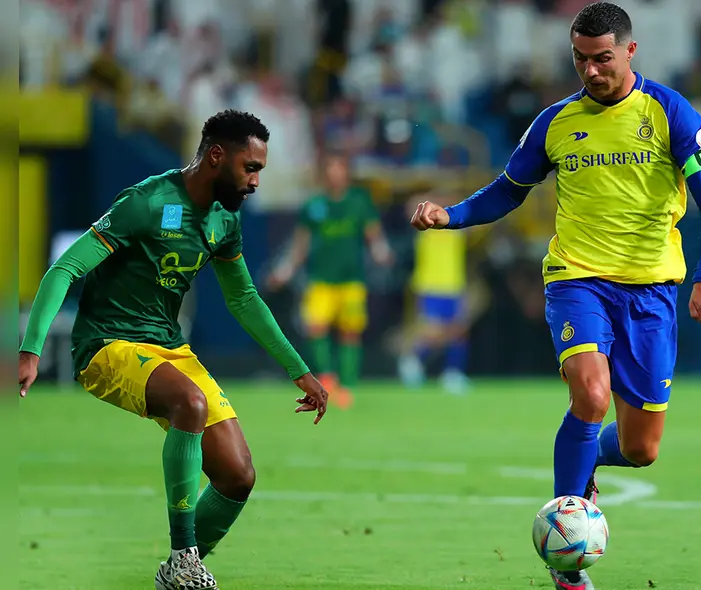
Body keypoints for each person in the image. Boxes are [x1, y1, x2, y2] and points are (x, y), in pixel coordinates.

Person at [410, 3, 701, 589]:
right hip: (576, 280)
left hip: (652, 291)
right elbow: (508, 190)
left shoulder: (669, 112)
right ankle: (567, 543)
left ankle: (591, 459)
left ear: (630, 52)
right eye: (580, 59)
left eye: (602, 58)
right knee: (590, 391)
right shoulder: (556, 122)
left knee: (641, 448)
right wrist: (449, 215)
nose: (590, 70)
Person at [17, 110, 329, 590]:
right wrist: (31, 349)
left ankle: (175, 571)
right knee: (190, 403)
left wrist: (299, 370)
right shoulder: (146, 202)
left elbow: (243, 299)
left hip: (167, 347)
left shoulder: (225, 218)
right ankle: (185, 558)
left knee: (237, 477)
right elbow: (65, 269)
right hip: (106, 344)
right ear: (216, 156)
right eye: (250, 168)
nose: (254, 182)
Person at [268, 151, 392, 408]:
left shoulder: (359, 201)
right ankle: (326, 376)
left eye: (339, 168)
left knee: (350, 332)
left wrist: (381, 250)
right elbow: (300, 244)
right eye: (330, 168)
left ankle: (348, 386)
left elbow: (373, 234)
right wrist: (285, 270)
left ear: (346, 172)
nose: (335, 174)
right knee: (315, 327)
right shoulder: (314, 205)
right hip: (320, 279)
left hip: (351, 280)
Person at [398, 193, 470, 394]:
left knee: (458, 332)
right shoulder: (426, 225)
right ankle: (413, 362)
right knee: (434, 333)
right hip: (431, 285)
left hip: (454, 285)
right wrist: (436, 195)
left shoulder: (458, 227)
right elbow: (411, 205)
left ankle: (452, 374)